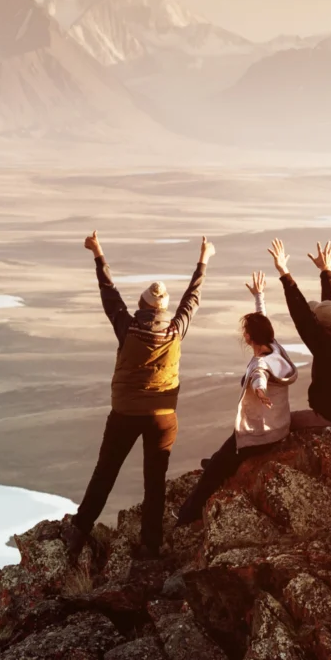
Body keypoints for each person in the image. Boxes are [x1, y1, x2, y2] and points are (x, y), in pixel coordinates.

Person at [64, 232, 214, 561]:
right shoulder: (176, 330)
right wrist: (204, 259)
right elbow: (193, 298)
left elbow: (109, 294)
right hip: (163, 417)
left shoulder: (127, 328)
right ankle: (150, 545)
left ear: (143, 306)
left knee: (105, 472)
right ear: (162, 309)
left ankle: (78, 532)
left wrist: (98, 253)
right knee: (155, 481)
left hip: (125, 414)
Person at [175, 272, 298, 525]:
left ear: (249, 338)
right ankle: (225, 462)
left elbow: (259, 377)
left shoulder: (261, 364)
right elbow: (264, 326)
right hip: (278, 426)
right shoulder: (277, 350)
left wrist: (261, 392)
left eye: (246, 332)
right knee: (223, 454)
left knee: (213, 470)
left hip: (261, 434)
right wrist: (258, 296)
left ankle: (187, 515)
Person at [266, 239, 331, 434]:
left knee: (278, 424)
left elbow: (300, 313)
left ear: (320, 327)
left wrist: (284, 272)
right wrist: (326, 270)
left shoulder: (324, 347)